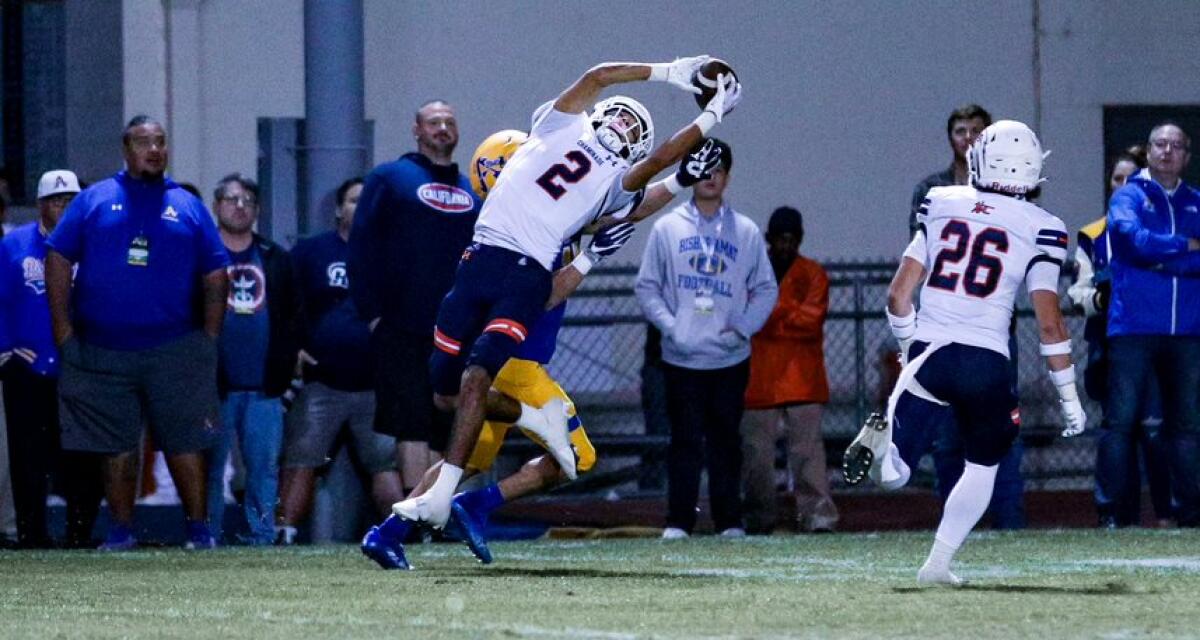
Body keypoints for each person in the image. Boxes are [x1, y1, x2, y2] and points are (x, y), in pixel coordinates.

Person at [386, 56, 742, 538]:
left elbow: (635, 195)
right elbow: (553, 290)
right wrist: (702, 108)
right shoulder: (557, 201)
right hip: (521, 357)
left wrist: (679, 174)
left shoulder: (566, 178)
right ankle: (480, 498)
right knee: (574, 454)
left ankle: (393, 530)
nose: (620, 126)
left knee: (463, 439)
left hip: (500, 312)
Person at [845, 120, 1085, 585]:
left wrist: (910, 345)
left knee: (896, 471)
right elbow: (1050, 322)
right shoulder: (1043, 227)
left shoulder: (942, 203)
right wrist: (1069, 398)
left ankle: (883, 457)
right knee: (983, 464)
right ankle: (938, 563)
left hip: (930, 354)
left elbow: (898, 295)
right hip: (987, 362)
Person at [45, 115, 228, 550]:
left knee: (185, 442)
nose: (154, 150)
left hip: (176, 349)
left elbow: (216, 273)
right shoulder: (93, 201)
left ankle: (198, 532)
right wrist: (63, 330)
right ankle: (121, 532)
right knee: (116, 447)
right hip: (103, 352)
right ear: (126, 150)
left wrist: (209, 338)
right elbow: (57, 258)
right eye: (144, 142)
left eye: (161, 142)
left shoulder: (186, 204)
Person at [636, 137, 775, 539]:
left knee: (726, 443)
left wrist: (744, 326)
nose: (710, 176)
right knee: (683, 442)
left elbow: (766, 288)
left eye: (718, 169)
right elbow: (648, 287)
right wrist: (672, 326)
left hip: (730, 358)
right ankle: (679, 521)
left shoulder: (746, 231)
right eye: (702, 167)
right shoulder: (666, 227)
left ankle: (730, 520)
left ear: (727, 176)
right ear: (690, 171)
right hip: (681, 358)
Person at [348, 100, 480, 495]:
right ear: (417, 130)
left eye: (449, 121)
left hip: (457, 328)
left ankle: (435, 511)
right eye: (434, 122)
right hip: (402, 327)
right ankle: (412, 515)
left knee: (449, 423)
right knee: (411, 424)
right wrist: (372, 314)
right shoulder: (390, 177)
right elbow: (361, 245)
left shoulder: (472, 189)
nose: (443, 128)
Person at [905, 103, 1025, 529]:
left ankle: (1011, 524)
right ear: (950, 137)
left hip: (993, 331)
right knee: (946, 437)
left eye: (978, 130)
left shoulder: (1015, 188)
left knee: (1000, 431)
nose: (969, 137)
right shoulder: (931, 190)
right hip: (943, 329)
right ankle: (955, 526)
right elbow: (919, 259)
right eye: (961, 130)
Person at [276, 177, 403, 545]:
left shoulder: (388, 256)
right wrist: (293, 349)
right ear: (338, 209)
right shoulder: (310, 253)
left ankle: (403, 538)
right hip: (323, 382)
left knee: (385, 464)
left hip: (375, 384)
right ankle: (283, 536)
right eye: (353, 200)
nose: (361, 206)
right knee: (302, 458)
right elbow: (284, 306)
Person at [1068, 146, 1174, 528]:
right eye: (1118, 179)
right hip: (1112, 347)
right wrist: (1102, 297)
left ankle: (1170, 513)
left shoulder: (1167, 230)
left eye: (1133, 179)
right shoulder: (1094, 234)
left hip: (1162, 347)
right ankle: (1114, 514)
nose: (1125, 185)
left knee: (1159, 432)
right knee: (1118, 431)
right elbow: (1077, 294)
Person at [1103, 122, 1200, 527]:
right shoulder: (1129, 195)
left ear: (1187, 156)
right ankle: (1113, 514)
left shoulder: (1196, 201)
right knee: (1121, 424)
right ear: (1148, 149)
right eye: (1160, 144)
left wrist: (1157, 259)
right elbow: (1130, 240)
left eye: (1176, 146)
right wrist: (1182, 248)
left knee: (1186, 428)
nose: (1167, 151)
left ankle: (1188, 513)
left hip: (1187, 333)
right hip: (1133, 328)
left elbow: (1148, 249)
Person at [0, 170, 103, 548]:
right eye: (57, 200)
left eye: (71, 200)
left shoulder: (93, 244)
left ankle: (79, 532)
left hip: (80, 364)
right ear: (41, 205)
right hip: (27, 366)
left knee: (82, 453)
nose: (64, 207)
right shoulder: (13, 245)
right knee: (28, 457)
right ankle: (32, 534)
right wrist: (7, 349)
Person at [205, 172, 299, 545]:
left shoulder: (275, 257)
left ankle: (260, 536)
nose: (240, 207)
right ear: (216, 206)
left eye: (247, 201)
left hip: (265, 386)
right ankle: (206, 534)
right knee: (211, 468)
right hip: (215, 386)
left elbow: (293, 317)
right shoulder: (203, 256)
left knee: (264, 468)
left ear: (257, 210)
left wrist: (286, 363)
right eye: (232, 199)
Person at [740, 206, 837, 534]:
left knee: (808, 455)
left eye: (791, 239)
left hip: (797, 378)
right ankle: (759, 518)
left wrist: (770, 312)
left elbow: (810, 322)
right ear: (769, 239)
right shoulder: (751, 272)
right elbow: (747, 320)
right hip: (764, 378)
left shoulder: (812, 274)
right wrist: (784, 313)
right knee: (757, 457)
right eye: (780, 239)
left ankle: (818, 517)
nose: (785, 245)